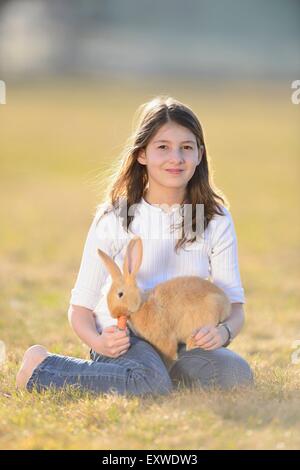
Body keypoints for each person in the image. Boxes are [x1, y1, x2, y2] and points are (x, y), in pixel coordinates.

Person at [16, 95, 254, 396]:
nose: (176, 158)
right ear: (142, 154)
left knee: (236, 373)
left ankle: (143, 376)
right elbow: (80, 309)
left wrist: (222, 331)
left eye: (186, 148)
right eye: (163, 147)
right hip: (125, 335)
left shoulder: (214, 218)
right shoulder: (117, 216)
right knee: (150, 384)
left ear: (199, 155)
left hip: (182, 337)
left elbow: (234, 306)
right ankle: (41, 367)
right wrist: (98, 341)